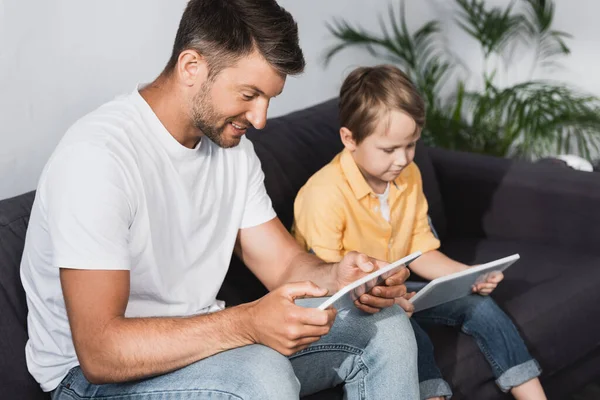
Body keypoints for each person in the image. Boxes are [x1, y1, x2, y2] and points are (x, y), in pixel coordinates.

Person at [20, 2, 421, 399]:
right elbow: (101, 352)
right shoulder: (97, 159)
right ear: (191, 66)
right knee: (261, 375)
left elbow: (283, 264)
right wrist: (246, 323)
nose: (260, 118)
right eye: (249, 94)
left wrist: (340, 276)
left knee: (383, 324)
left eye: (269, 99)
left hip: (206, 347)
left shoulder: (232, 150)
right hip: (90, 381)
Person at [292, 64, 547, 400]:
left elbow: (420, 249)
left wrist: (467, 274)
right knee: (404, 330)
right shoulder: (323, 194)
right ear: (349, 138)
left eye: (411, 145)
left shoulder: (407, 176)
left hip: (400, 290)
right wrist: (391, 300)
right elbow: (327, 288)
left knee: (480, 304)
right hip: (352, 307)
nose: (402, 160)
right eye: (389, 150)